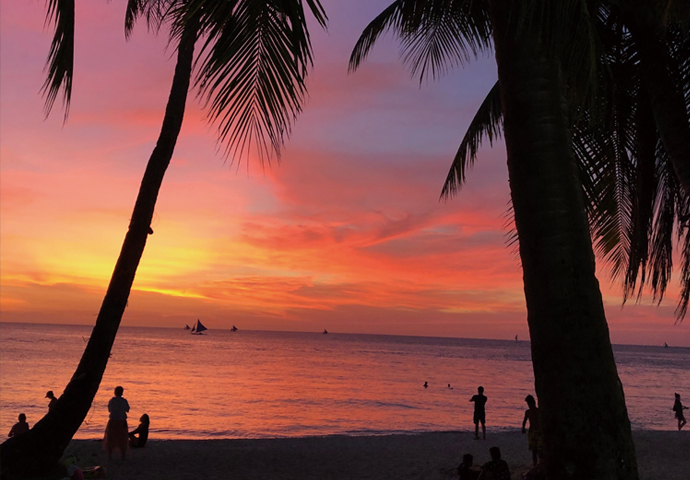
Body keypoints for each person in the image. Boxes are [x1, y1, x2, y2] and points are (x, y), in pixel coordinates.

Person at [103, 386, 130, 460]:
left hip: (113, 420)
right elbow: (127, 409)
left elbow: (109, 409)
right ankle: (123, 455)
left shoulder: (112, 400)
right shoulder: (124, 401)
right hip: (121, 420)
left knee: (111, 437)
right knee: (122, 438)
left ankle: (110, 455)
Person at [521, 394, 543, 466]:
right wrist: (523, 428)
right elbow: (524, 421)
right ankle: (535, 464)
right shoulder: (528, 412)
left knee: (539, 450)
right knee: (534, 451)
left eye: (529, 403)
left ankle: (540, 464)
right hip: (532, 432)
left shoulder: (538, 411)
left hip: (538, 432)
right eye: (528, 404)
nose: (529, 405)